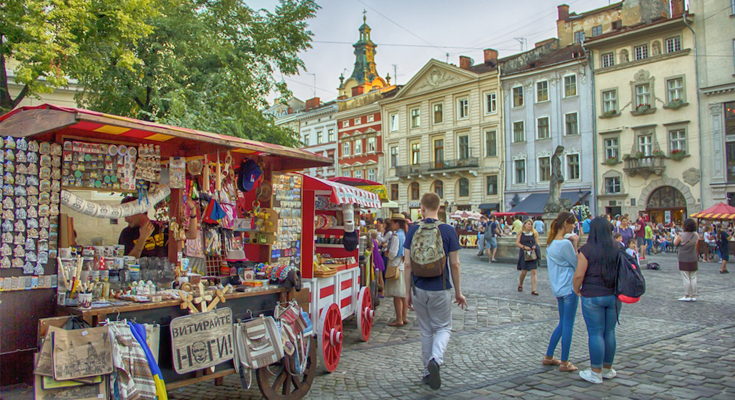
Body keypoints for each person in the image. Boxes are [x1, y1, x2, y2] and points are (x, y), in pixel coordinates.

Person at [404, 193, 466, 390]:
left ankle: (426, 371)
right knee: (443, 327)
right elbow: (454, 264)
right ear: (439, 208)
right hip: (441, 287)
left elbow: (406, 264)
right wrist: (458, 292)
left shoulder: (413, 229)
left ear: (421, 208)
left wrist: (407, 293)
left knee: (426, 330)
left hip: (418, 287)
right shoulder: (448, 230)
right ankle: (436, 360)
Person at [573, 217, 621, 384]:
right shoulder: (617, 247)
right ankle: (608, 369)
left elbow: (579, 274)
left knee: (595, 333)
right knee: (609, 332)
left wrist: (576, 289)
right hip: (614, 295)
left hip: (592, 295)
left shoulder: (587, 250)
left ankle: (595, 372)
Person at [543, 212, 579, 372]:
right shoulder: (565, 245)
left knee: (562, 322)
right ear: (566, 224)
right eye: (573, 224)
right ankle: (564, 362)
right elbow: (576, 263)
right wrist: (575, 244)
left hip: (558, 288)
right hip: (569, 288)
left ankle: (549, 356)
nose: (574, 227)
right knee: (568, 324)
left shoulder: (550, 243)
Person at [118, 195, 198, 258]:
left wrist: (193, 208)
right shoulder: (126, 234)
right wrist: (142, 239)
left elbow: (192, 235)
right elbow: (128, 263)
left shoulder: (161, 227)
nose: (126, 219)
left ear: (138, 210)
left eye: (127, 214)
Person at [385, 214, 408, 326]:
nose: (391, 225)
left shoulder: (396, 236)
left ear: (396, 223)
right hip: (402, 265)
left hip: (395, 266)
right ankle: (404, 317)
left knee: (397, 295)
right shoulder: (403, 234)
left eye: (392, 223)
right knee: (402, 294)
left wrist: (387, 254)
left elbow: (393, 253)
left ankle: (399, 319)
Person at [674, 219, 699, 301]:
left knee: (686, 277)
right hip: (693, 257)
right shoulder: (695, 235)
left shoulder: (681, 235)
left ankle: (687, 295)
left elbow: (675, 243)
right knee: (693, 276)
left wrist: (676, 236)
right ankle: (694, 295)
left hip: (683, 258)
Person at [516, 218, 540, 295]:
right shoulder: (520, 233)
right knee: (524, 271)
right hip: (524, 253)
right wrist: (524, 247)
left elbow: (537, 243)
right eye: (528, 224)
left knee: (534, 271)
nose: (530, 226)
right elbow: (517, 243)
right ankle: (520, 284)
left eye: (531, 224)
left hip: (532, 254)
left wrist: (535, 246)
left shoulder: (534, 233)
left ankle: (533, 289)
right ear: (525, 225)